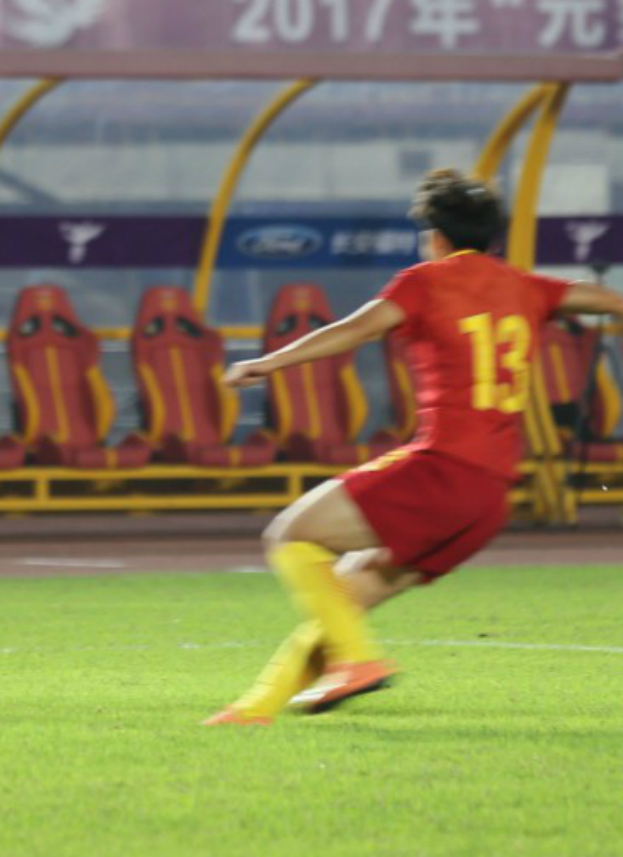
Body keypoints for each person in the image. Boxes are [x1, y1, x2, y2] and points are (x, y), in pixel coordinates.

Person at [204, 168, 623, 724]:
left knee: (288, 536)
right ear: (491, 236)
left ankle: (356, 662)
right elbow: (605, 300)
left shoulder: (425, 281)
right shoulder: (528, 287)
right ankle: (257, 707)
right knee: (342, 601)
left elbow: (354, 329)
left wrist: (268, 362)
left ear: (436, 236)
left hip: (441, 469)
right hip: (489, 499)